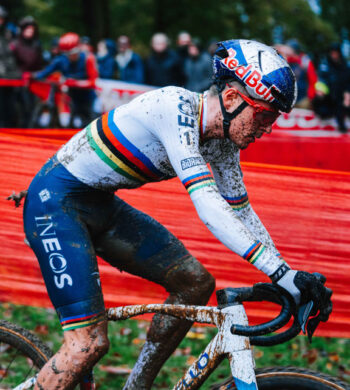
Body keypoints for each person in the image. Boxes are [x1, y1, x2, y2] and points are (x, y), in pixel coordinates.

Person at [20, 39, 332, 389]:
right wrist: (278, 272)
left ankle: (136, 387)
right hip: (55, 202)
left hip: (98, 202)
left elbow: (241, 213)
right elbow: (208, 206)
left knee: (195, 284)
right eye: (265, 115)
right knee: (87, 344)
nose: (269, 128)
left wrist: (286, 274)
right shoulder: (174, 107)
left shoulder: (223, 142)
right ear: (231, 99)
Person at [33, 32, 98, 128]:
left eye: (74, 53)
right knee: (73, 124)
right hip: (73, 99)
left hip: (88, 98)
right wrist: (32, 76)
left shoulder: (88, 58)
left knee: (91, 123)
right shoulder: (61, 60)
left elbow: (93, 82)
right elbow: (44, 73)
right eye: (69, 54)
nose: (72, 56)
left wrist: (75, 83)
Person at [10, 16, 44, 127]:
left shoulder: (37, 45)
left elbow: (40, 63)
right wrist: (19, 75)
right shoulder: (14, 45)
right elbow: (11, 64)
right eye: (28, 29)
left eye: (32, 30)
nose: (30, 32)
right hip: (17, 83)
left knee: (33, 111)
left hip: (33, 83)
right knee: (17, 110)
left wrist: (36, 75)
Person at [317, 43, 350, 132]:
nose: (334, 55)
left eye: (336, 53)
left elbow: (347, 83)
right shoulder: (325, 65)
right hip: (328, 97)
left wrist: (347, 94)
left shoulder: (345, 67)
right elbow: (322, 80)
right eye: (332, 53)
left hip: (341, 98)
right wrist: (320, 90)